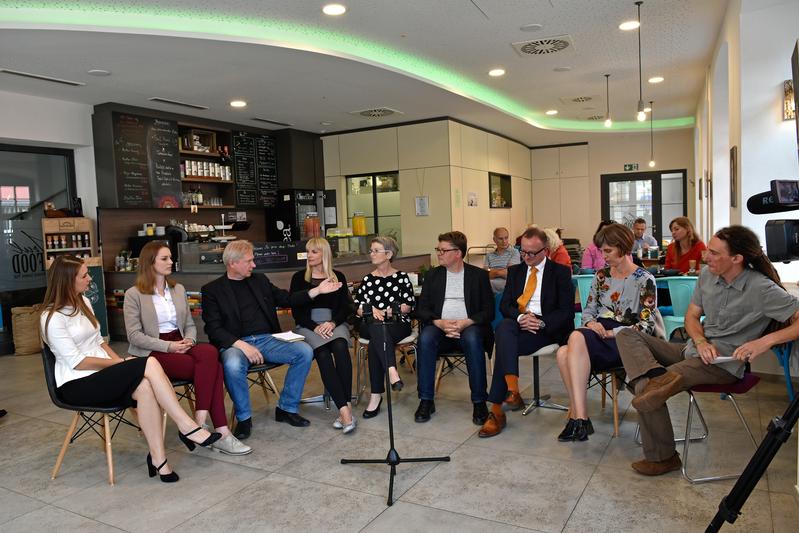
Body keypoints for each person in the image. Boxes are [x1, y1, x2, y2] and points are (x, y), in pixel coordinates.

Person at [616, 225, 799, 475]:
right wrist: (701, 341)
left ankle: (662, 457)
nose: (705, 256)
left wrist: (764, 342)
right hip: (692, 351)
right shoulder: (707, 276)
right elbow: (692, 317)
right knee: (627, 335)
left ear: (736, 259)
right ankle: (655, 380)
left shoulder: (761, 288)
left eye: (713, 253)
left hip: (723, 364)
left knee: (644, 387)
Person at [40, 255, 220, 482]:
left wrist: (120, 362)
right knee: (149, 362)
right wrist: (120, 364)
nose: (89, 279)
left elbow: (99, 342)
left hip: (102, 375)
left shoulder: (83, 302)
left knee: (144, 385)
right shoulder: (51, 317)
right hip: (76, 384)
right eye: (84, 276)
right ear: (67, 280)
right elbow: (78, 362)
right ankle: (187, 426)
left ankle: (159, 460)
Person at [124, 242, 251, 455]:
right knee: (215, 369)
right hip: (154, 351)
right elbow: (134, 336)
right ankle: (222, 433)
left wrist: (189, 341)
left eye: (170, 257)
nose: (171, 262)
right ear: (150, 262)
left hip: (181, 342)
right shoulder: (133, 294)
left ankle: (200, 420)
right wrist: (169, 346)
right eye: (164, 258)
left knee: (210, 352)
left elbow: (189, 325)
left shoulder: (178, 289)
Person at [202, 240, 326, 439]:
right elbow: (213, 328)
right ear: (233, 263)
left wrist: (316, 291)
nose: (254, 265)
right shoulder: (212, 290)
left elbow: (286, 299)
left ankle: (286, 408)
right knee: (233, 364)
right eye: (249, 261)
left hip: (267, 339)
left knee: (304, 351)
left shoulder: (259, 280)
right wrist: (242, 345)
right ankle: (244, 419)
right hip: (235, 343)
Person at [556, 223, 662, 442]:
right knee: (563, 351)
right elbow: (588, 311)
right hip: (598, 332)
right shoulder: (601, 276)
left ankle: (579, 418)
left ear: (623, 248)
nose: (603, 256)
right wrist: (591, 323)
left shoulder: (645, 280)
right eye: (602, 250)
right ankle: (580, 418)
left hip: (626, 339)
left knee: (571, 343)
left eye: (608, 251)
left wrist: (614, 333)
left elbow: (646, 324)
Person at [478, 227, 574, 438]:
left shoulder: (560, 272)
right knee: (504, 326)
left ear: (545, 251)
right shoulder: (516, 271)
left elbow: (566, 312)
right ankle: (512, 391)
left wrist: (539, 323)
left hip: (547, 329)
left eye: (532, 253)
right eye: (523, 251)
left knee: (503, 344)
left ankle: (497, 411)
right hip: (521, 324)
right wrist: (522, 318)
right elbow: (505, 306)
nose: (527, 257)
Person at [414, 231, 494, 424]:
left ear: (458, 253)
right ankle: (426, 400)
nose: (439, 253)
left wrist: (467, 322)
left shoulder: (479, 276)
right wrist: (438, 322)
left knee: (473, 338)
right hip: (440, 328)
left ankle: (479, 402)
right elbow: (421, 309)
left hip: (469, 327)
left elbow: (489, 311)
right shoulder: (433, 275)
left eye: (443, 250)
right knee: (425, 338)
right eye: (438, 249)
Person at [290, 237, 355, 433]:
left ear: (324, 254)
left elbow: (346, 307)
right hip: (308, 325)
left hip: (334, 322)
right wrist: (314, 326)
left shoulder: (338, 276)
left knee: (341, 348)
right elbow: (296, 310)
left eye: (314, 252)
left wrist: (332, 323)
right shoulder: (299, 278)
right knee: (324, 355)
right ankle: (344, 410)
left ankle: (347, 408)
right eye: (308, 252)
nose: (309, 255)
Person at [353, 236, 416, 419]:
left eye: (375, 250)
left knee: (375, 342)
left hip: (397, 324)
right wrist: (371, 309)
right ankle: (391, 370)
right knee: (376, 325)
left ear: (388, 254)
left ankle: (376, 396)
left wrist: (387, 311)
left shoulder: (402, 278)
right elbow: (357, 308)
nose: (371, 254)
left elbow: (408, 306)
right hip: (370, 324)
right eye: (371, 250)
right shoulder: (367, 279)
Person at [484, 227, 521, 294]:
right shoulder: (489, 255)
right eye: (500, 239)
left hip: (507, 287)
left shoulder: (514, 252)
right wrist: (503, 270)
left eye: (506, 238)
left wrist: (492, 270)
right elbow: (485, 275)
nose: (504, 241)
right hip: (490, 288)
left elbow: (510, 274)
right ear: (494, 240)